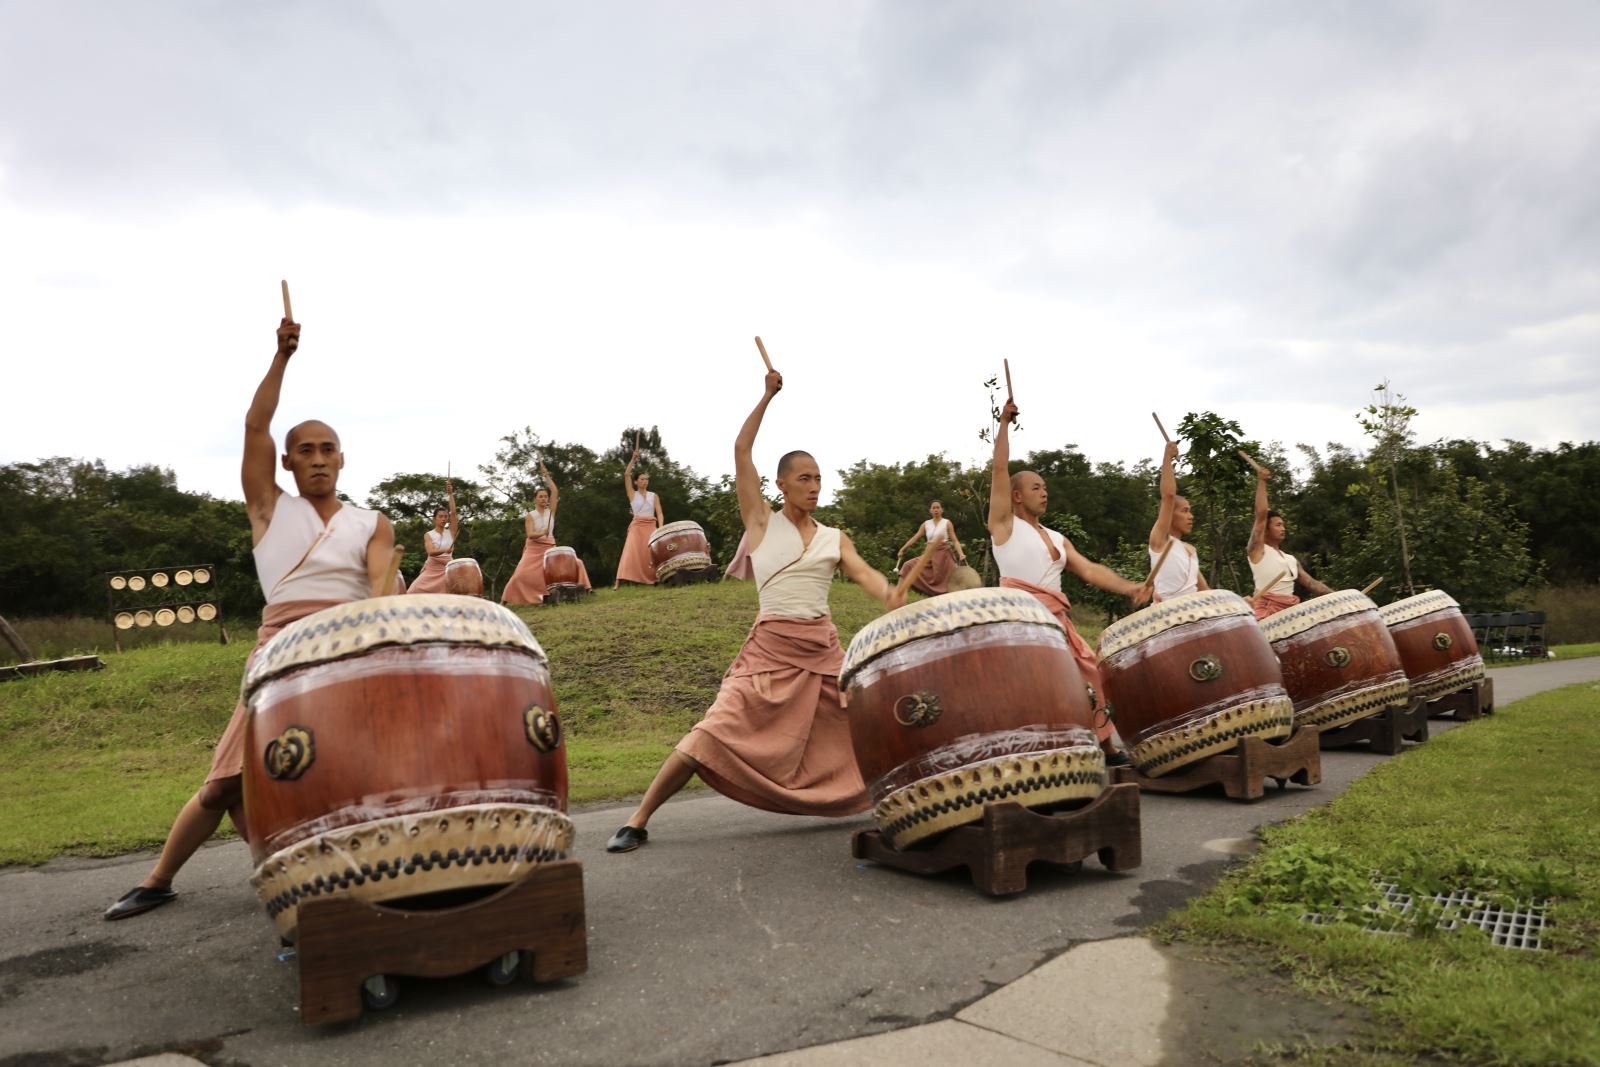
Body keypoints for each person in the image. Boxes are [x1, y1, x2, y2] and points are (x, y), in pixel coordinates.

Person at [105, 312, 394, 920]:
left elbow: (378, 594)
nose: (317, 459)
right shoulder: (269, 510)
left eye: (327, 449)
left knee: (337, 776)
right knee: (225, 784)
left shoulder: (372, 522)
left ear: (343, 458)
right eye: (304, 451)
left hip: (342, 653)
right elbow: (255, 424)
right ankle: (159, 880)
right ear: (287, 463)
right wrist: (283, 357)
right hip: (279, 654)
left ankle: (348, 881)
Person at [605, 364, 910, 852]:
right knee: (713, 729)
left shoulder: (834, 537)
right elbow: (741, 450)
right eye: (805, 478)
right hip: (769, 648)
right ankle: (638, 818)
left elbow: (868, 575)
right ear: (782, 484)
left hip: (823, 651)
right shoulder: (761, 522)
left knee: (867, 721)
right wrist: (766, 397)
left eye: (819, 479)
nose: (814, 486)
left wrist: (890, 594)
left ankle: (899, 797)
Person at [988, 399, 1150, 766]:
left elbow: (1091, 570)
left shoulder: (1058, 537)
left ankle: (1106, 746)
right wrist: (1003, 426)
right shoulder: (1004, 526)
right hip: (1021, 621)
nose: (1044, 492)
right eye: (1034, 487)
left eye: (1045, 486)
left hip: (1056, 620)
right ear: (1015, 496)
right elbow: (999, 470)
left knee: (1089, 670)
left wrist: (1130, 586)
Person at [1245, 463, 1333, 619]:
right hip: (1266, 616)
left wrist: (1340, 596)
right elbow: (1261, 515)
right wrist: (1262, 482)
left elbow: (1312, 584)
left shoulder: (1290, 560)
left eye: (1283, 525)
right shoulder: (1258, 551)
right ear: (1266, 529)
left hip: (1290, 613)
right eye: (1278, 525)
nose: (1283, 528)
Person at [501, 461, 574, 604]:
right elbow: (530, 534)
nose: (544, 498)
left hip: (549, 547)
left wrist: (546, 475)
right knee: (519, 575)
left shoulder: (551, 512)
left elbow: (555, 491)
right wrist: (542, 532)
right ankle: (504, 600)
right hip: (533, 548)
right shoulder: (531, 515)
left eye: (545, 496)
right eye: (540, 496)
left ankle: (543, 598)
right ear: (535, 499)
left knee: (551, 573)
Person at [1148, 440, 1210, 601]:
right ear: (1170, 514)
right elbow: (1168, 496)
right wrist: (1167, 458)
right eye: (1184, 511)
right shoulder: (1159, 541)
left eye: (1190, 511)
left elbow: (1205, 592)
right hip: (1167, 617)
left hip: (1191, 614)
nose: (1191, 516)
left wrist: (1238, 604)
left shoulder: (1190, 549)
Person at [894, 500, 967, 596]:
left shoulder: (947, 523)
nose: (936, 509)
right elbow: (915, 537)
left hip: (944, 555)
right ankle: (897, 594)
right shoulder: (926, 524)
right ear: (930, 510)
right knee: (907, 565)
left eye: (938, 507)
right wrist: (903, 549)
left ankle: (963, 600)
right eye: (933, 508)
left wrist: (961, 553)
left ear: (942, 510)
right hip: (929, 555)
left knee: (956, 575)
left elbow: (955, 540)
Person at [613, 449, 664, 587]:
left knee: (651, 552)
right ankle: (619, 581)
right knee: (630, 551)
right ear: (636, 482)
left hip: (650, 525)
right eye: (642, 479)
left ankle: (654, 578)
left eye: (647, 479)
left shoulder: (654, 496)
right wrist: (633, 459)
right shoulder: (632, 494)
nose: (645, 481)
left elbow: (659, 512)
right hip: (636, 526)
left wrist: (661, 527)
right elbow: (626, 474)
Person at [407, 480, 458, 593]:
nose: (444, 518)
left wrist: (450, 494)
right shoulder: (428, 535)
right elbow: (431, 552)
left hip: (448, 569)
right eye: (441, 516)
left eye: (445, 516)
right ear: (434, 519)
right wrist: (446, 549)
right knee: (412, 591)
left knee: (455, 594)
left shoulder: (451, 532)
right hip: (431, 569)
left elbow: (453, 513)